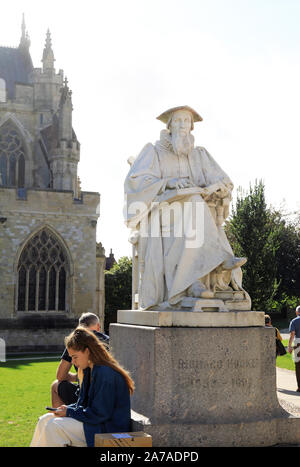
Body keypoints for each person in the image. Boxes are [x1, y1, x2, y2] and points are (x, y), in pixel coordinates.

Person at [124, 105, 248, 310]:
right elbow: (136, 182)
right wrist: (169, 183)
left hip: (197, 213)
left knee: (195, 203)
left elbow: (224, 180)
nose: (183, 125)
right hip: (163, 213)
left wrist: (217, 189)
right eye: (178, 120)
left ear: (192, 127)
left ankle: (196, 281)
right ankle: (216, 261)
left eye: (186, 121)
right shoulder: (153, 151)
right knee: (194, 203)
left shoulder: (200, 155)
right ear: (170, 125)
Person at [31, 327, 134, 447]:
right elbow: (83, 405)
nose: (73, 362)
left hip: (107, 429)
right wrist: (66, 409)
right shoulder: (89, 370)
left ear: (87, 351)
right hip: (94, 423)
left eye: (75, 357)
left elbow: (100, 414)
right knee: (45, 419)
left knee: (53, 426)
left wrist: (69, 412)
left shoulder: (105, 373)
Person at [51, 313, 109, 408]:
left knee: (55, 385)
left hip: (91, 397)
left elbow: (60, 376)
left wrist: (77, 377)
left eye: (75, 357)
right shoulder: (109, 340)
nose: (73, 361)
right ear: (98, 327)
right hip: (105, 394)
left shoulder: (76, 342)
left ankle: (60, 416)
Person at [288, 306, 300, 391]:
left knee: (298, 365)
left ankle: (299, 386)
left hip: (298, 343)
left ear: (297, 312)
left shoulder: (294, 321)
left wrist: (289, 346)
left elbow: (292, 334)